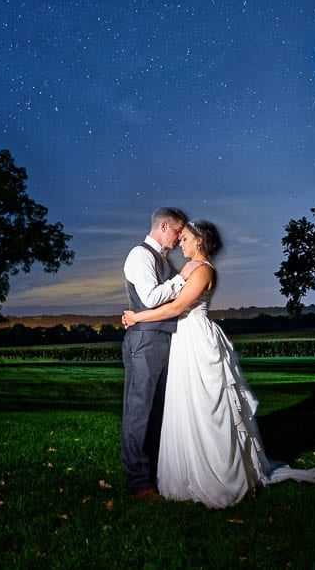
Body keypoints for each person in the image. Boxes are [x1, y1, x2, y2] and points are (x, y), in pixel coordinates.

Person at [121, 219, 315, 509]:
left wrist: (137, 317)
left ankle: (214, 470)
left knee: (205, 402)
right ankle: (181, 466)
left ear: (200, 241)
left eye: (186, 238)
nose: (182, 243)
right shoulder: (191, 269)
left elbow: (177, 307)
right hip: (184, 339)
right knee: (186, 402)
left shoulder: (202, 270)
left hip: (196, 338)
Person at [121, 206, 197, 501]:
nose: (180, 238)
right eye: (178, 231)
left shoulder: (162, 259)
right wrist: (182, 279)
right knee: (139, 411)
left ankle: (153, 475)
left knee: (157, 411)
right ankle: (138, 483)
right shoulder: (140, 255)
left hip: (163, 338)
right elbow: (151, 298)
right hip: (145, 340)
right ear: (164, 227)